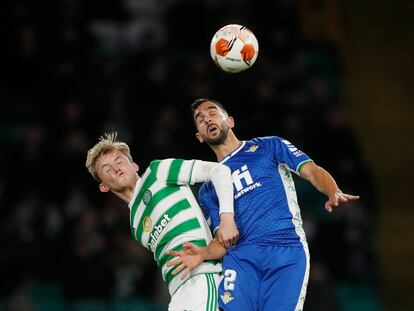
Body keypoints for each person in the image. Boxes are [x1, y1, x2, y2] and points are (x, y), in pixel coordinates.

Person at [167, 98, 360, 311]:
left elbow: (312, 171)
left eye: (212, 113)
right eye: (200, 120)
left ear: (230, 121)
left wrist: (333, 190)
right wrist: (203, 253)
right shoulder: (208, 190)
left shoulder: (268, 146)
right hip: (242, 259)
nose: (207, 119)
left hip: (285, 251)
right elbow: (223, 240)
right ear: (199, 137)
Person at [85, 132, 239, 311]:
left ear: (134, 165)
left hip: (203, 280)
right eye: (107, 169)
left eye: (119, 161)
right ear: (104, 186)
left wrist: (227, 219)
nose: (116, 168)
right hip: (178, 296)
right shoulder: (135, 225)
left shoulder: (158, 172)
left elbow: (219, 170)